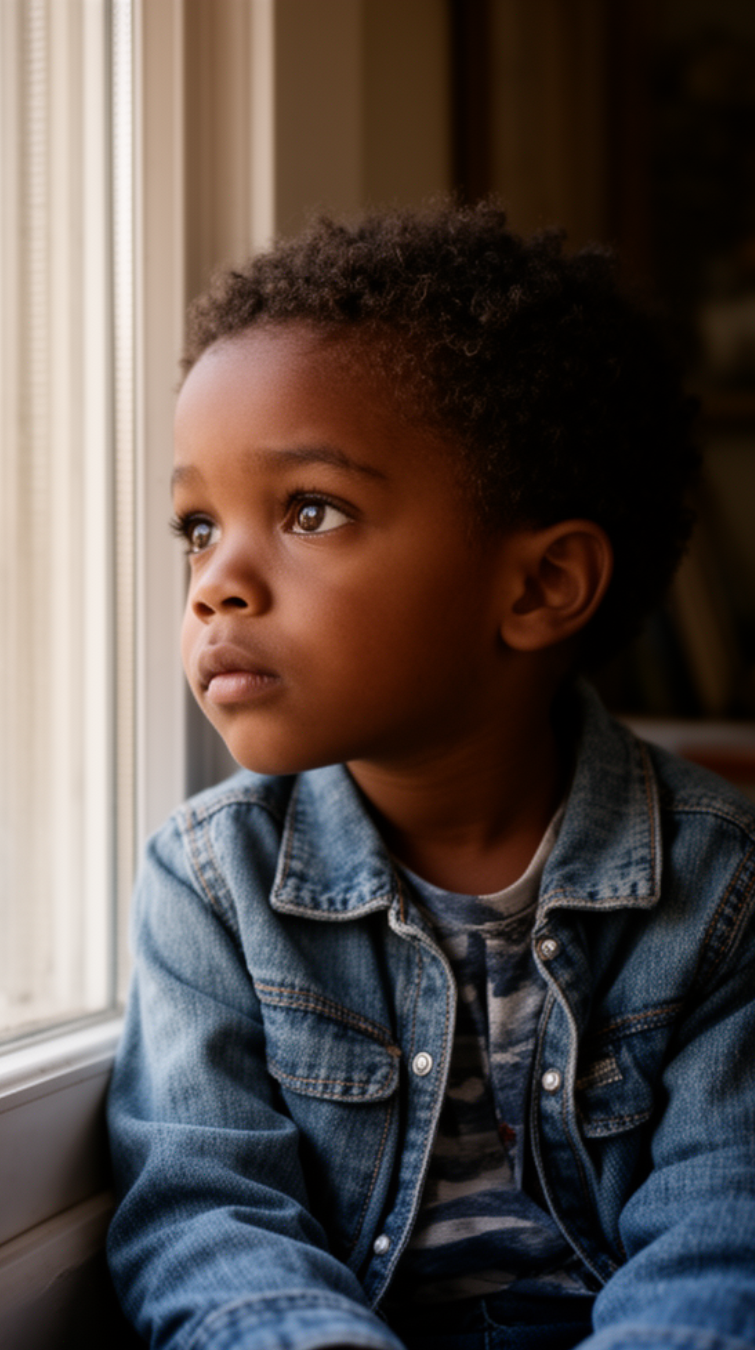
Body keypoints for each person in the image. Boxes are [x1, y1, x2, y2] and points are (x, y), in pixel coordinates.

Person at [105, 203, 755, 1350]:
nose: (216, 585)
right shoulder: (208, 882)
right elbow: (208, 1220)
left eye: (309, 511)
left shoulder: (725, 888)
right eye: (196, 528)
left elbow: (726, 1239)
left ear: (541, 587)